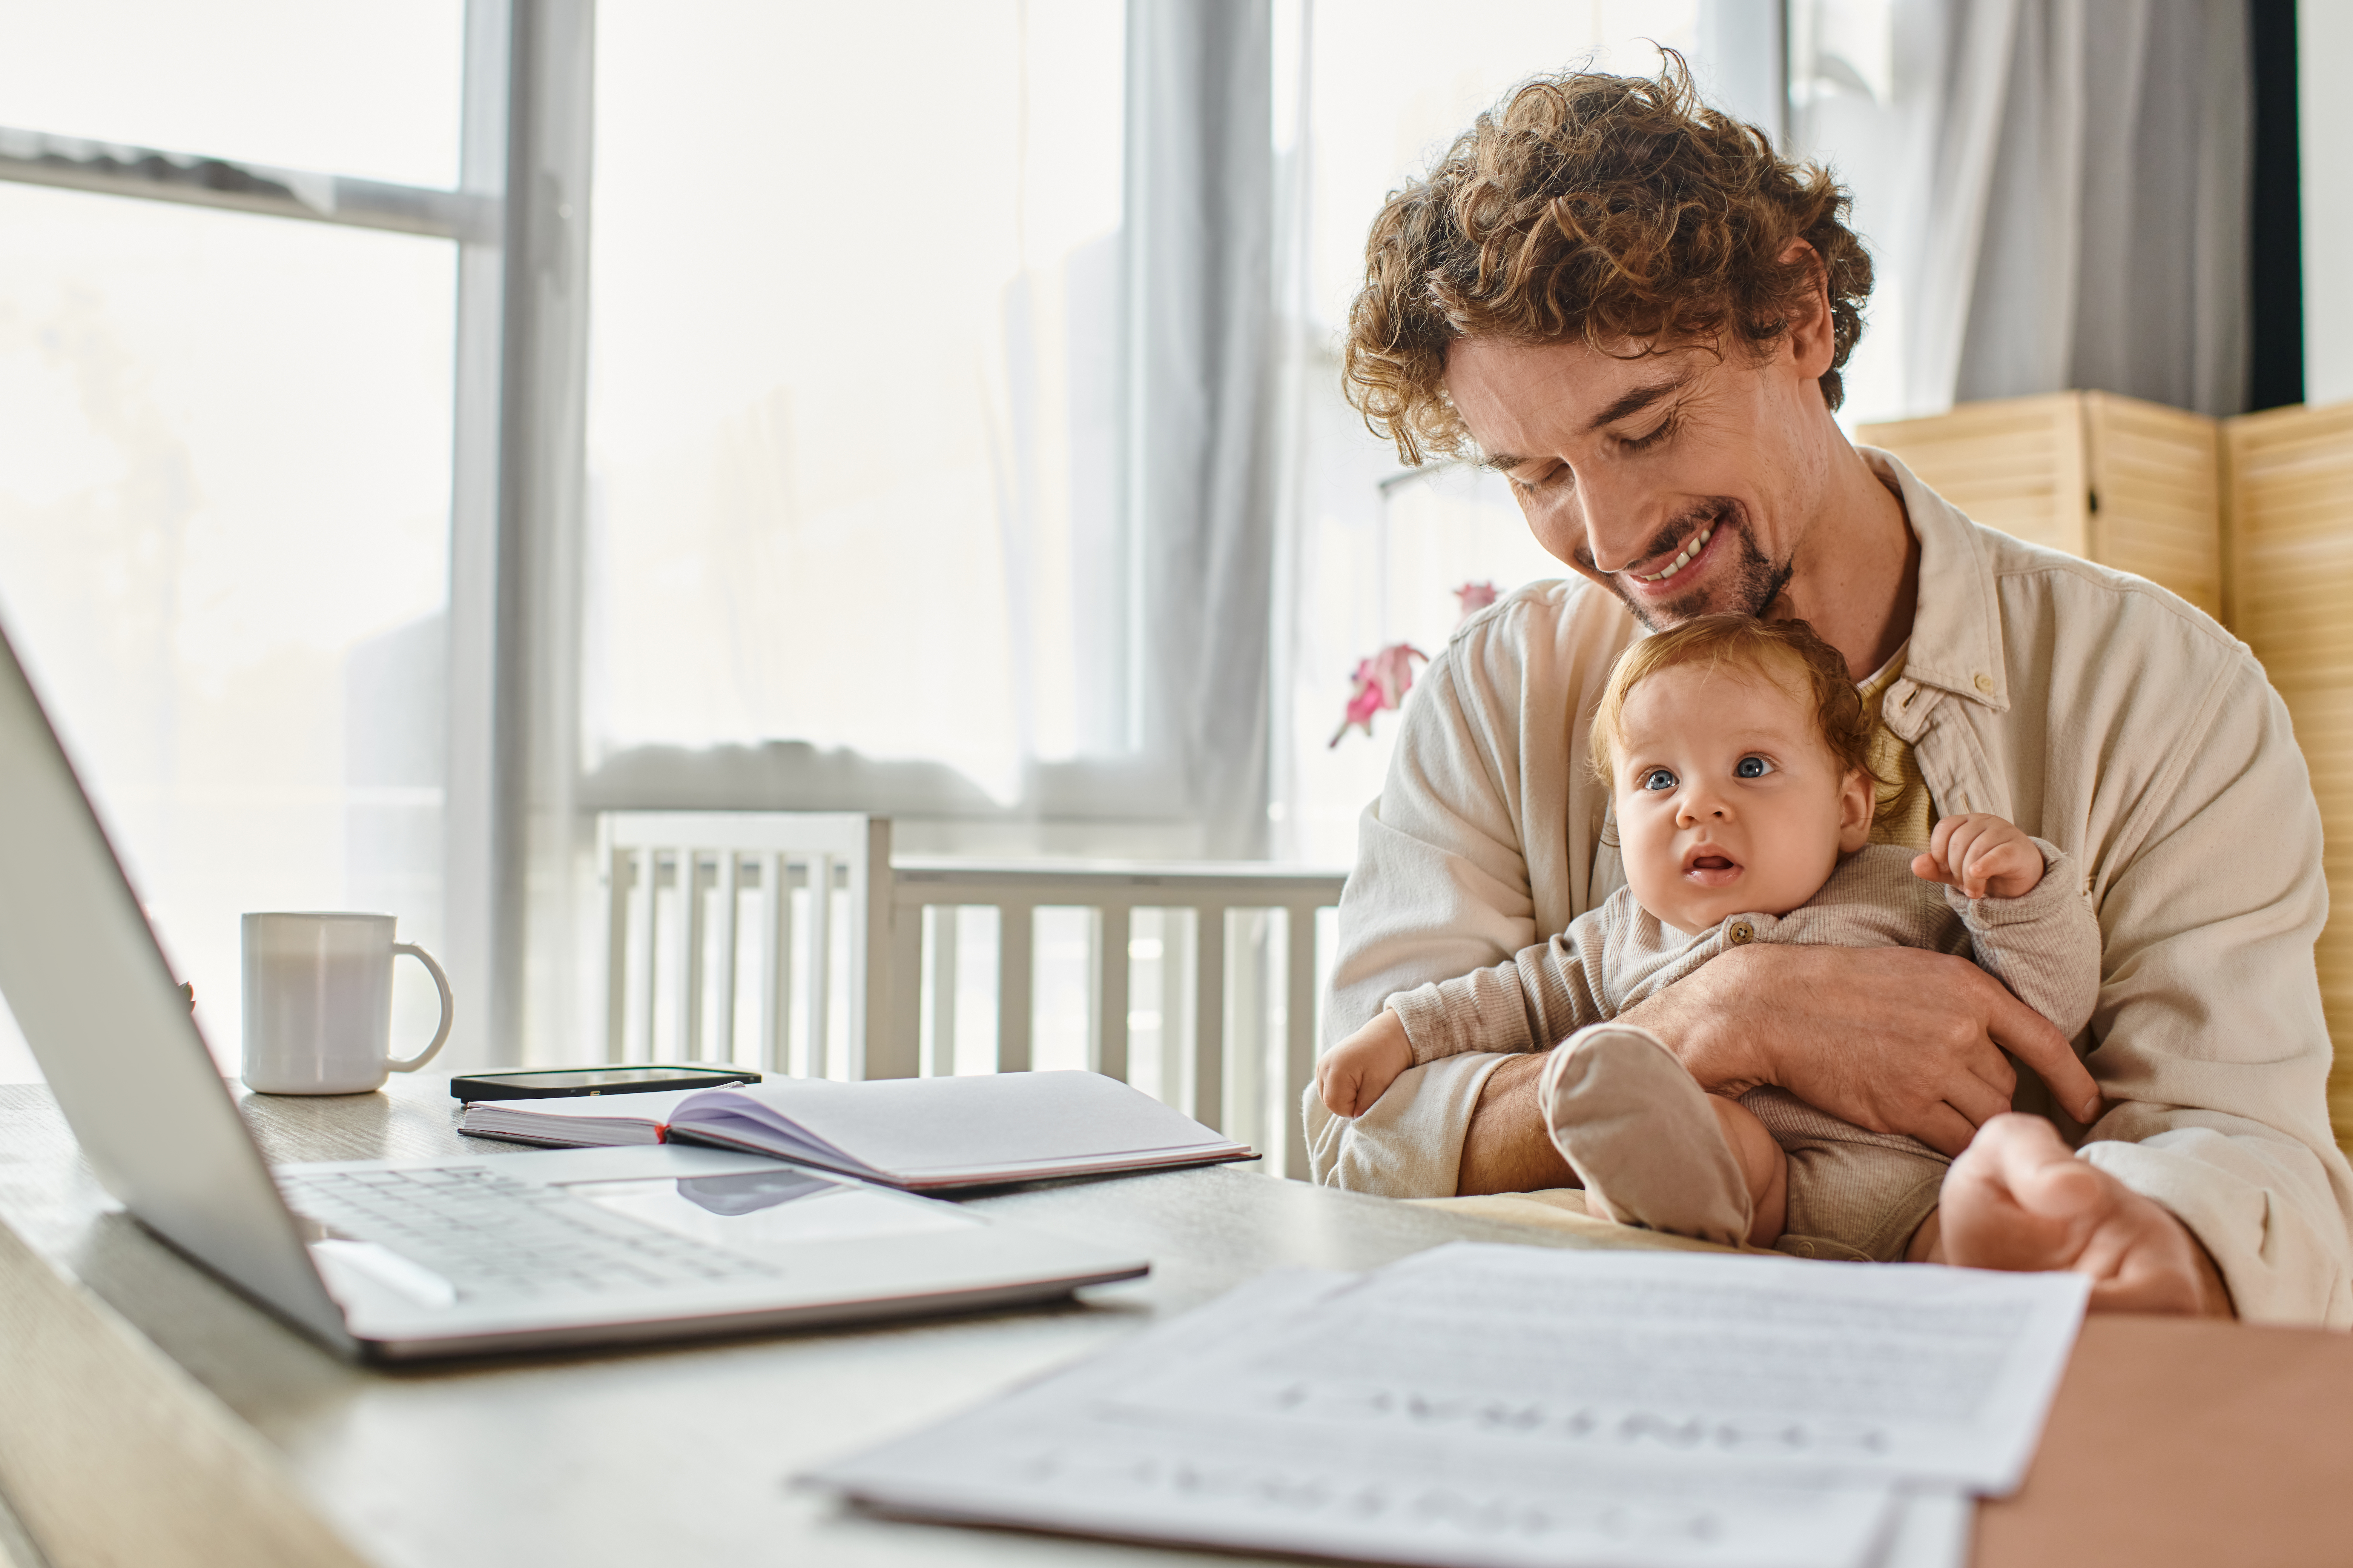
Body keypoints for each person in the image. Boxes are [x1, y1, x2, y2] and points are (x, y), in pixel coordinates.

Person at [1306, 56, 2353, 1324]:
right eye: (1536, 475)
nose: (1614, 528)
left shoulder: (2163, 689)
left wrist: (2128, 1236)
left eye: (1643, 427)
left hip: (1999, 1387)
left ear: (1799, 313)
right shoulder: (1493, 697)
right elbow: (1361, 1134)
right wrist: (1719, 1016)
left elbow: (2244, 1147)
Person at [1316, 614, 2100, 1262]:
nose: (1697, 806)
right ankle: (1651, 1164)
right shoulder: (1617, 934)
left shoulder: (1906, 888)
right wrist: (1400, 1033)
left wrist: (2021, 894)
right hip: (1748, 1202)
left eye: (1751, 766)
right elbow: (1507, 998)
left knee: (1995, 1215)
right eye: (1659, 780)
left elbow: (2047, 1010)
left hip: (1915, 1205)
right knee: (1699, 1127)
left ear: (1851, 807)